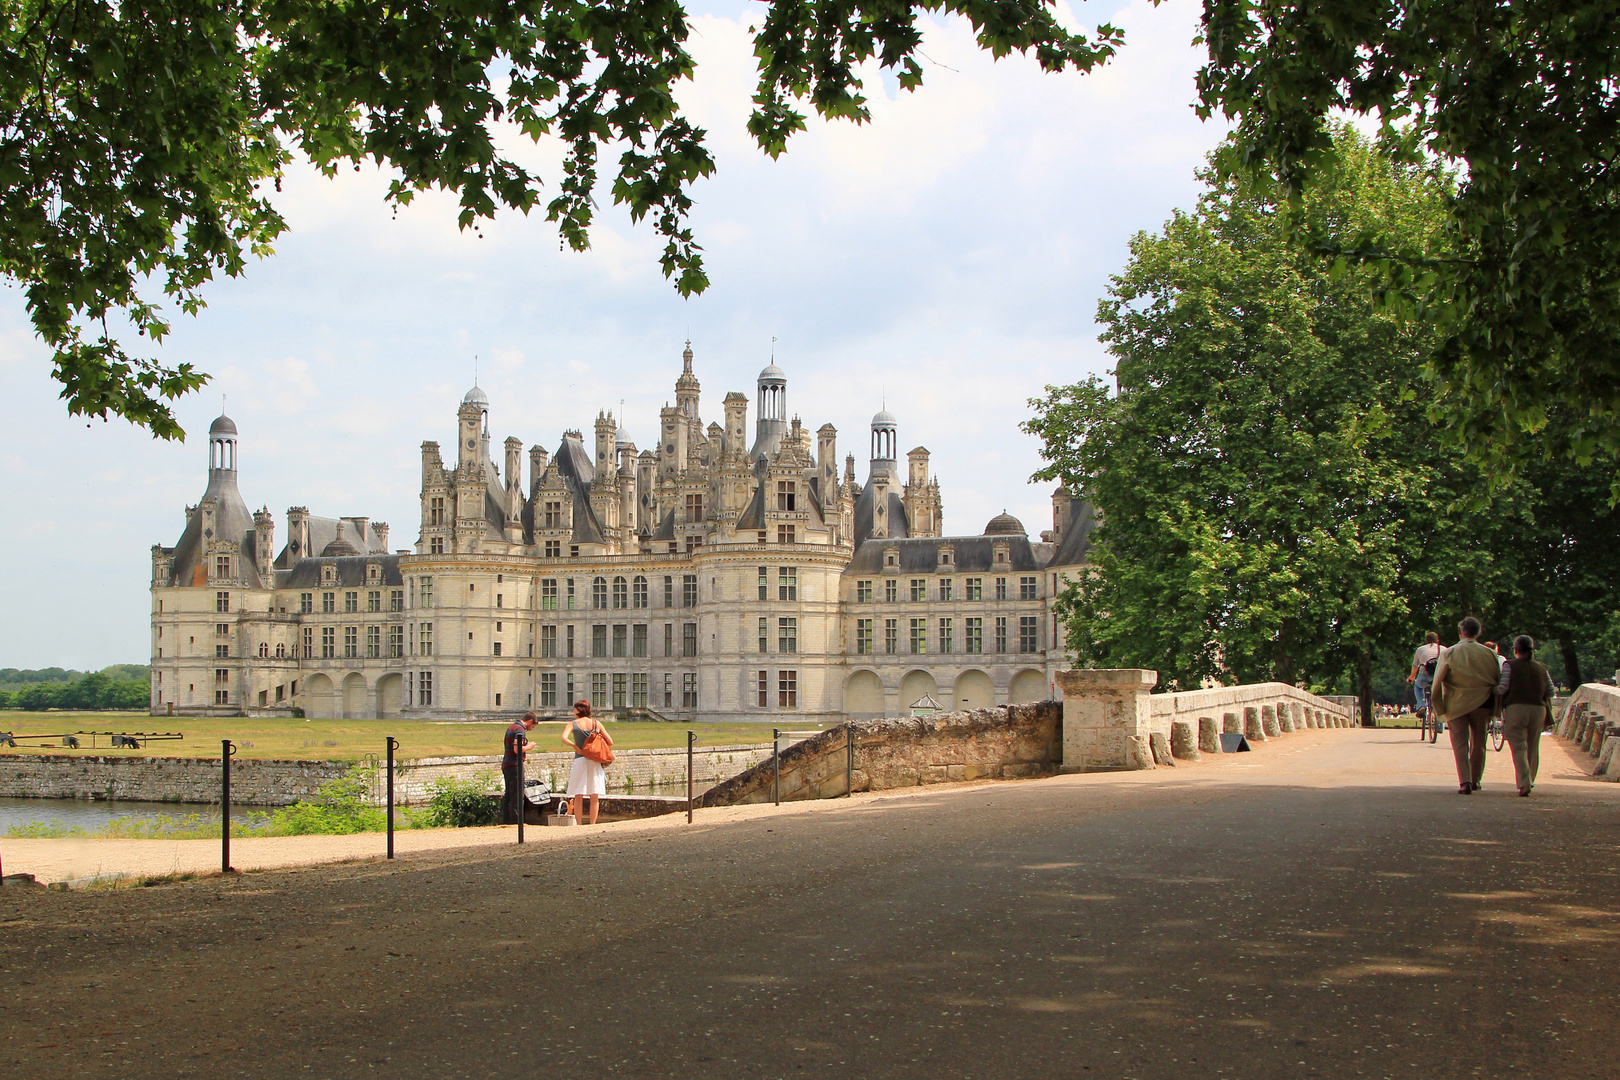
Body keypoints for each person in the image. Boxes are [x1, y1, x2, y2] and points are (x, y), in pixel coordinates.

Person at [1430, 617, 1502, 794]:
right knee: (1479, 742)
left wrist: (1439, 707)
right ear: (1479, 632)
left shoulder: (1450, 652)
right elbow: (1497, 680)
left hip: (1456, 702)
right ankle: (1476, 779)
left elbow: (1437, 681)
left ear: (1461, 632)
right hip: (1483, 702)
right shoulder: (1490, 653)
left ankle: (1465, 781)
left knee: (1460, 744)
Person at [1500, 635, 1554, 797]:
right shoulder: (1541, 668)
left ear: (1515, 650)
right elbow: (1550, 691)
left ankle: (1524, 782)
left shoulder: (1509, 665)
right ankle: (1530, 778)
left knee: (1518, 747)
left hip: (1516, 708)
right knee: (1533, 746)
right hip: (1539, 710)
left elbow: (1503, 688)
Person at [562, 699, 612, 825]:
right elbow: (610, 741)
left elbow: (564, 738)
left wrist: (575, 746)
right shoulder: (596, 723)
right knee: (594, 795)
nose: (573, 711)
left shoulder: (573, 724)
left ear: (579, 710)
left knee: (579, 794)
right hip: (594, 761)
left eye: (575, 709)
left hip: (580, 759)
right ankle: (592, 824)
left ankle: (579, 823)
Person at [501, 712, 538, 824]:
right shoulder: (519, 730)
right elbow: (517, 749)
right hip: (514, 765)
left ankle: (506, 820)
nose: (531, 729)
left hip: (507, 764)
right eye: (533, 726)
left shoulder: (512, 727)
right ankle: (516, 822)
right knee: (517, 795)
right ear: (530, 721)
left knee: (509, 793)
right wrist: (529, 747)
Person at [1407, 631, 1443, 728]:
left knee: (1418, 687)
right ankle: (1440, 725)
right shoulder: (1444, 649)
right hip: (1439, 676)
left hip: (1425, 675)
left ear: (1426, 641)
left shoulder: (1420, 650)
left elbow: (1415, 665)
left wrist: (1412, 676)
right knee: (1440, 696)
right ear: (1437, 641)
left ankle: (1421, 705)